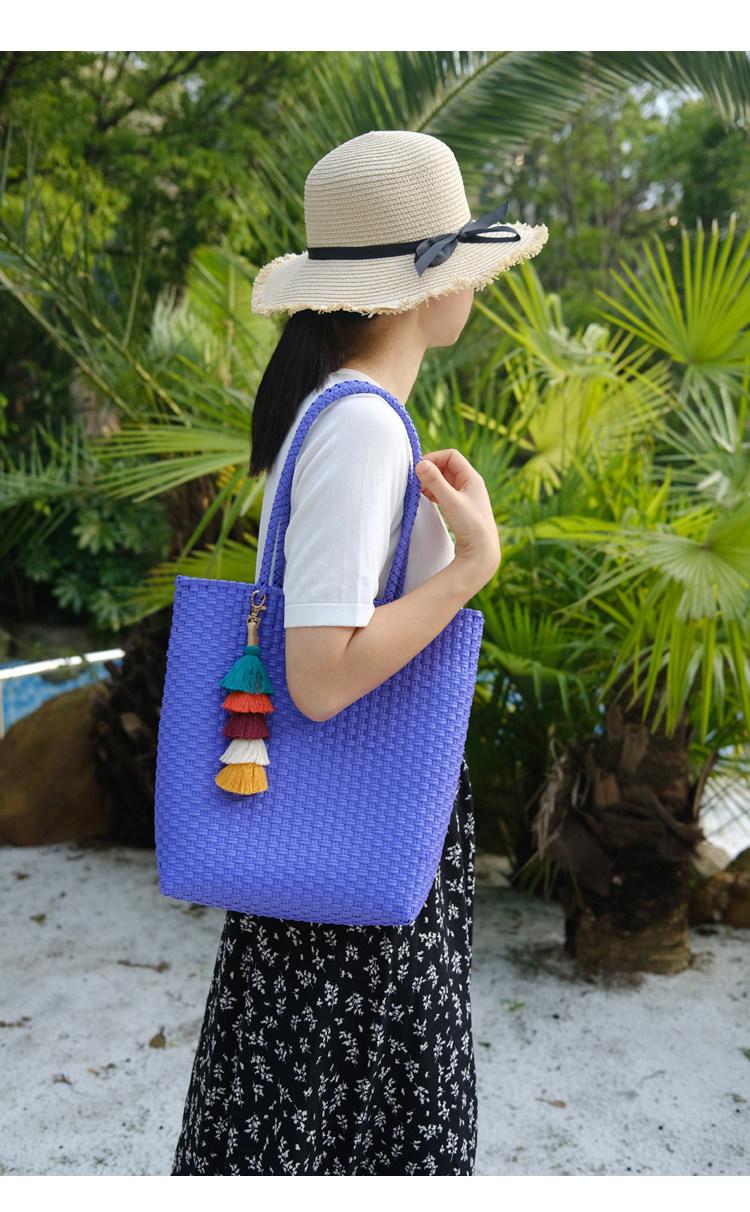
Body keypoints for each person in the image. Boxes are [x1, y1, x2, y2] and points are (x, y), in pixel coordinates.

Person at [171, 129, 547, 1176]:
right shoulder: (364, 429)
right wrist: (470, 569)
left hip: (351, 871)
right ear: (426, 286)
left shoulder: (357, 416)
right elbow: (322, 677)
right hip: (348, 898)